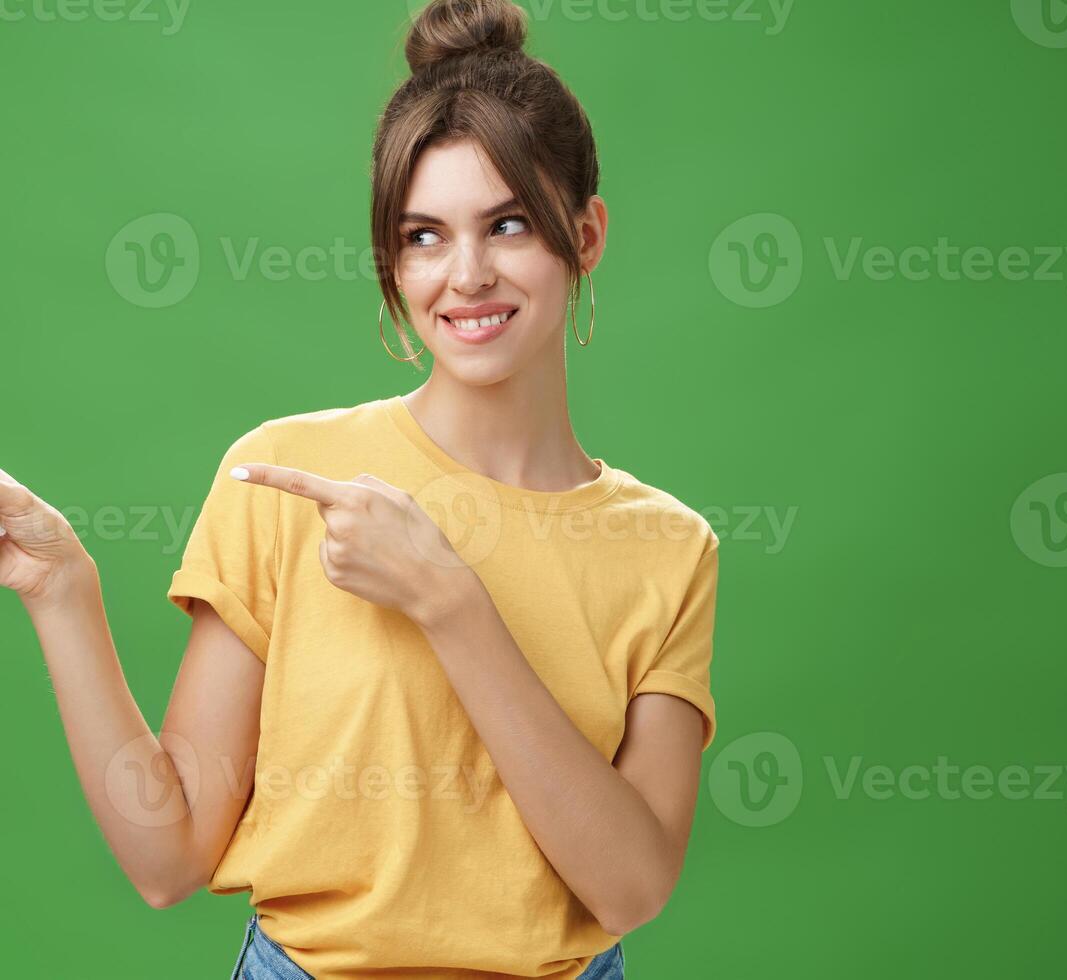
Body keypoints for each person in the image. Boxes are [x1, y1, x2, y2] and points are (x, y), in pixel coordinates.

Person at [0, 1, 715, 975]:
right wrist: (61, 588)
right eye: (423, 235)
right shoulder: (290, 477)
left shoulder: (668, 547)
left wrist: (450, 600)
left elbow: (630, 886)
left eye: (507, 224)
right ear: (390, 257)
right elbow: (167, 857)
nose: (465, 275)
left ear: (583, 235)